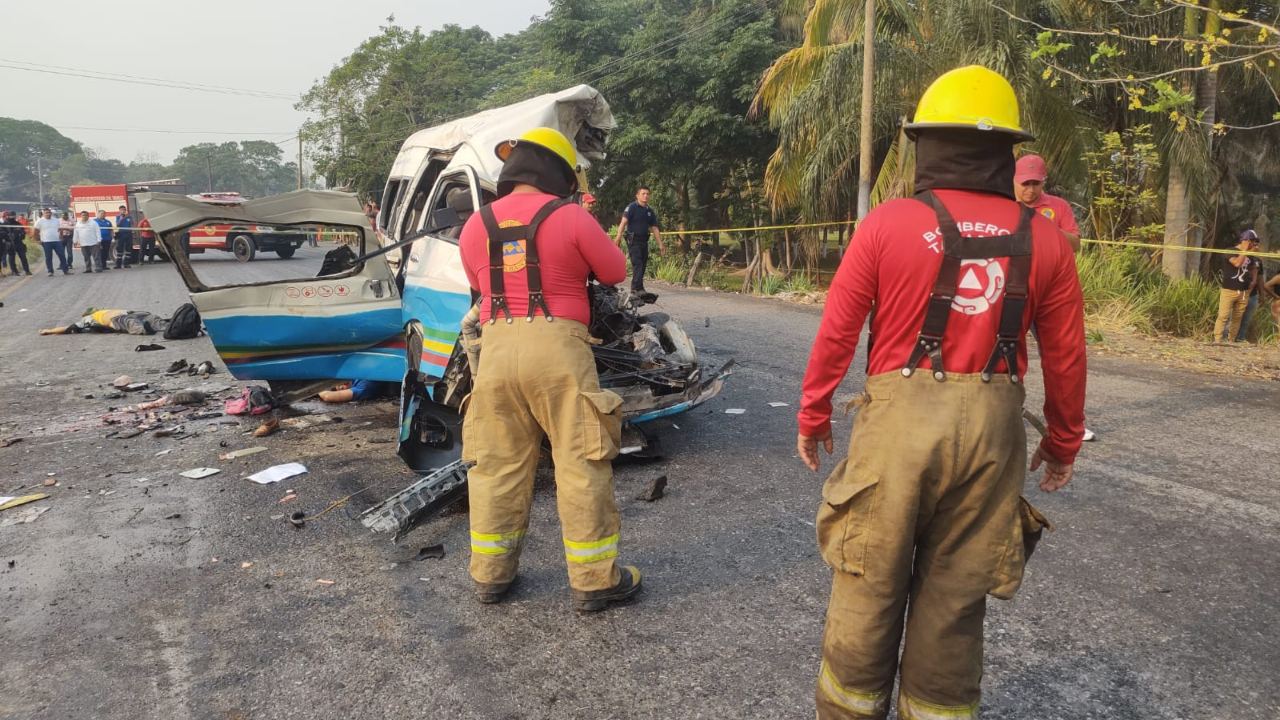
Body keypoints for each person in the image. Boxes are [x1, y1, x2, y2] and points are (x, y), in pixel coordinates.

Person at [796, 65, 1086, 719]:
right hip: (991, 437)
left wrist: (815, 413)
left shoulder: (887, 224)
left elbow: (838, 331)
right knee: (955, 602)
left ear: (925, 144)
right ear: (1004, 151)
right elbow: (1066, 357)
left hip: (896, 434)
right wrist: (1063, 440)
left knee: (868, 584)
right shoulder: (1047, 240)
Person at [457, 126, 639, 612]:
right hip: (558, 349)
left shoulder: (476, 224)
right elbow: (615, 272)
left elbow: (479, 283)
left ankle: (491, 576)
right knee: (580, 463)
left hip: (495, 352)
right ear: (560, 171)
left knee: (496, 465)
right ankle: (595, 580)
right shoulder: (570, 216)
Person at [1015, 154, 1095, 440]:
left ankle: (1068, 424)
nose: (1031, 190)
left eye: (1036, 183)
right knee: (1007, 351)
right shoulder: (1004, 207)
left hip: (1052, 293)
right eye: (1025, 183)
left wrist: (1044, 227)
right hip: (1015, 289)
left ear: (1044, 182)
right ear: (1014, 182)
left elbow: (1075, 244)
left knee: (1062, 357)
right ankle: (1007, 411)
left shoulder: (1057, 207)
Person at [614, 186, 665, 293]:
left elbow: (654, 228)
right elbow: (623, 222)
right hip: (633, 240)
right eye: (643, 193)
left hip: (644, 240)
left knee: (643, 263)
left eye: (647, 194)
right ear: (637, 195)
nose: (646, 196)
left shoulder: (649, 211)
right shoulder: (632, 207)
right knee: (638, 264)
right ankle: (635, 288)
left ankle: (639, 287)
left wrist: (660, 244)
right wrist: (618, 236)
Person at [1214, 229, 1260, 342]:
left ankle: (1231, 340)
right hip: (1229, 289)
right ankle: (1218, 339)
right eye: (1253, 241)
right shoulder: (1230, 251)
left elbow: (1254, 267)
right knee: (1223, 316)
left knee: (1237, 318)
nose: (1255, 244)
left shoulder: (1251, 255)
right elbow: (1237, 263)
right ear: (1246, 240)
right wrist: (1244, 250)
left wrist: (1253, 281)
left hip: (1244, 291)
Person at [33, 208, 69, 276]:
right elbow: (35, 231)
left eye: (49, 212)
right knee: (48, 257)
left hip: (57, 241)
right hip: (46, 241)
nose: (48, 214)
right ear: (43, 214)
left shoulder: (56, 220)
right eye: (46, 213)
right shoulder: (40, 221)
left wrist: (61, 236)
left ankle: (65, 270)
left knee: (62, 255)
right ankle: (50, 271)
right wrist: (37, 240)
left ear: (51, 213)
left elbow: (59, 229)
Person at [5, 211, 33, 276]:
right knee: (12, 258)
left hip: (19, 242)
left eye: (13, 215)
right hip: (10, 243)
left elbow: (23, 232)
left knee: (23, 257)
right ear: (8, 216)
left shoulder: (17, 223)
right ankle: (14, 271)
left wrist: (22, 235)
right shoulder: (5, 224)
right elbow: (3, 233)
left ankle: (27, 270)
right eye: (11, 216)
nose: (13, 217)